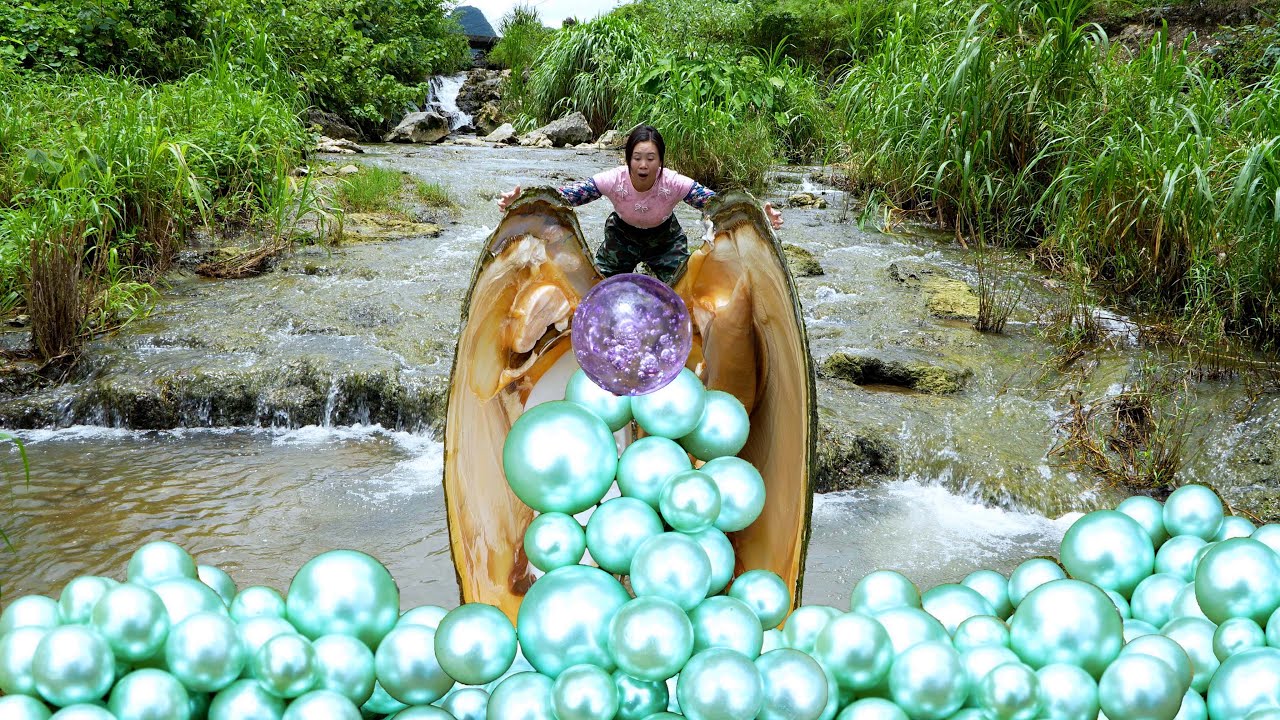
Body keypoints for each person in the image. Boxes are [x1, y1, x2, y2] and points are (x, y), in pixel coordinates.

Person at [498, 125, 784, 284]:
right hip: (621, 236)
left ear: (661, 161)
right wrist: (520, 204)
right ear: (627, 160)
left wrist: (759, 216)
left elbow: (719, 206)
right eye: (637, 157)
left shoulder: (674, 183)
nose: (643, 165)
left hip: (665, 239)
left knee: (683, 287)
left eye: (651, 158)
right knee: (598, 287)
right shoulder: (612, 180)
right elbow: (566, 197)